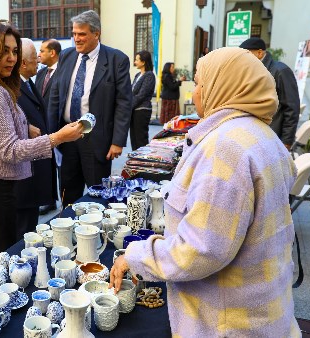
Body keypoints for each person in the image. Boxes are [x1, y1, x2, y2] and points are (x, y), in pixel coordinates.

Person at [110, 47, 299, 337]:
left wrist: (135, 256)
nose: (195, 93)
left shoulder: (226, 149)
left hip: (228, 322)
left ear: (224, 88)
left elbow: (200, 250)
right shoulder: (263, 135)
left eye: (199, 84)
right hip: (261, 308)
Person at [0, 22, 83, 275]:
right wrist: (58, 138)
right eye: (4, 51)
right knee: (1, 261)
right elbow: (9, 150)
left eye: (14, 51)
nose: (11, 58)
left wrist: (25, 128)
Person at [48, 10, 132, 206]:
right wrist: (52, 135)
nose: (76, 39)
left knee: (98, 197)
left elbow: (124, 102)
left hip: (97, 140)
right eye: (74, 33)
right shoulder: (66, 56)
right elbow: (55, 95)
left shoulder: (116, 60)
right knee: (68, 194)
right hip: (67, 137)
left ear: (96, 33)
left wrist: (117, 141)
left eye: (82, 34)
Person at [13, 38, 56, 240]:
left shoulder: (29, 82)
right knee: (22, 227)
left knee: (30, 222)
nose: (38, 61)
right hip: (24, 172)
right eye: (34, 59)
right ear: (22, 63)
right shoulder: (10, 87)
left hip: (35, 166)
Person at [240, 37, 300, 150]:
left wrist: (287, 141)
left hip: (274, 135)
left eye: (247, 54)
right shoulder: (253, 70)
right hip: (257, 135)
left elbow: (291, 107)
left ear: (259, 52)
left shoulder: (280, 71)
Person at [35, 38, 61, 215]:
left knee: (61, 166)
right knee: (45, 164)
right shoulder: (41, 73)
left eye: (42, 51)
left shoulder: (64, 72)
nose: (39, 54)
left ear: (52, 52)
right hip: (42, 127)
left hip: (59, 127)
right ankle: (49, 199)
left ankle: (62, 198)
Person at [129, 50, 156, 150]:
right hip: (134, 110)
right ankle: (134, 161)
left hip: (142, 110)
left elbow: (141, 95)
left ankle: (143, 161)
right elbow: (131, 92)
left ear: (143, 62)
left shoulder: (149, 75)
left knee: (141, 138)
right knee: (133, 138)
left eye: (136, 60)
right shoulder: (137, 75)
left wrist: (129, 106)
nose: (135, 62)